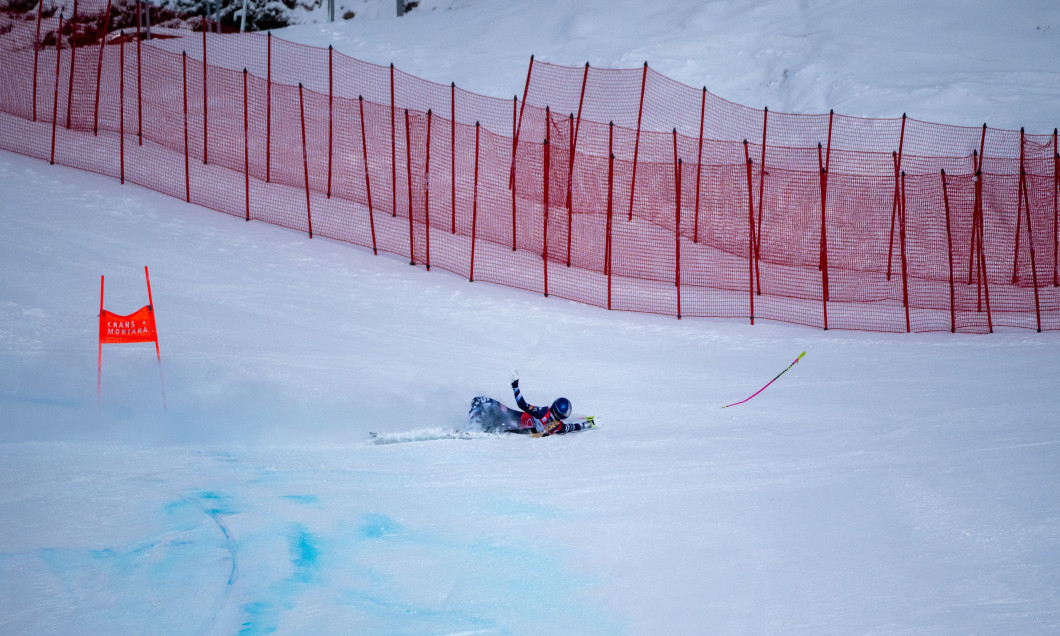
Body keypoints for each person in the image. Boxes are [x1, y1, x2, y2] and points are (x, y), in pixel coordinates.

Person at [467, 372, 592, 436]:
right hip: (515, 427)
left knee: (479, 400)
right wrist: (587, 424)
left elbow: (522, 404)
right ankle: (479, 426)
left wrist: (515, 385)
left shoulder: (543, 412)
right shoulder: (558, 427)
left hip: (512, 417)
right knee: (491, 417)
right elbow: (573, 427)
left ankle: (472, 427)